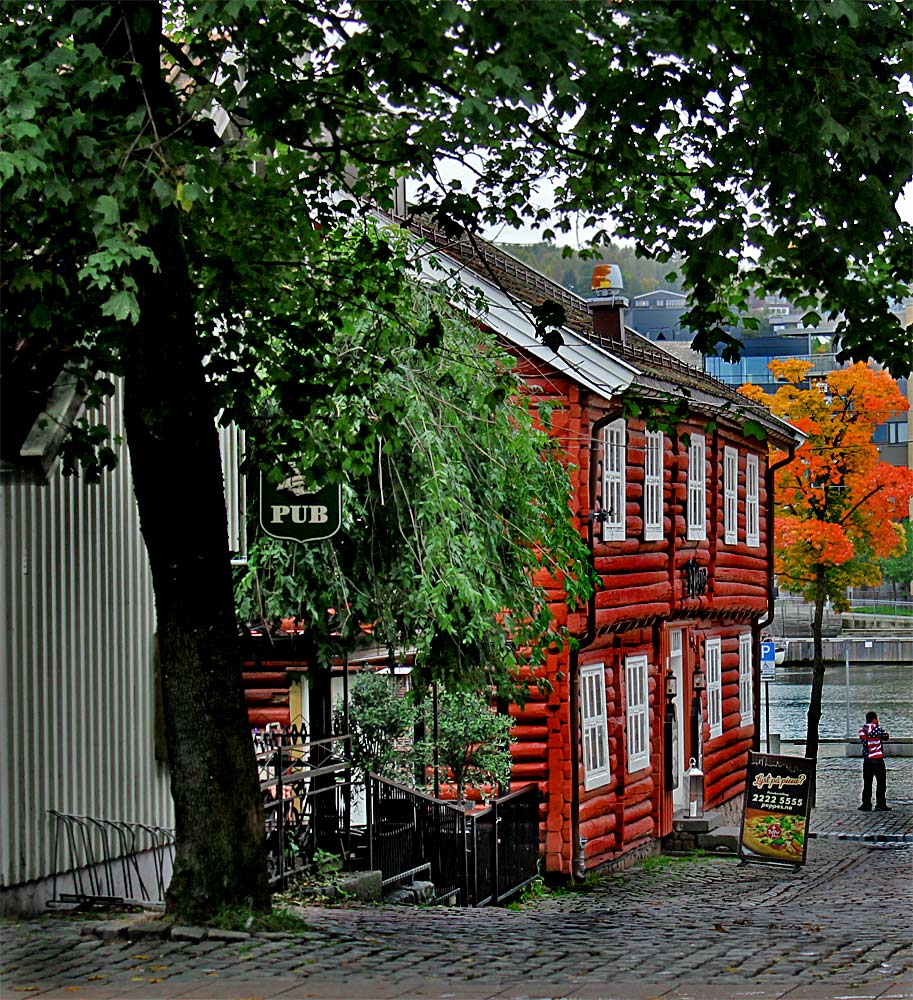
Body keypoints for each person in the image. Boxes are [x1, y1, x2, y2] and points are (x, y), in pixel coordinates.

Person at [858, 710, 891, 812]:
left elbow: (864, 738)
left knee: (867, 783)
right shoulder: (878, 730)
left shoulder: (862, 731)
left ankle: (866, 804)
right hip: (877, 760)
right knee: (881, 782)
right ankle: (880, 804)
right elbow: (886, 737)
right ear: (874, 719)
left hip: (867, 760)